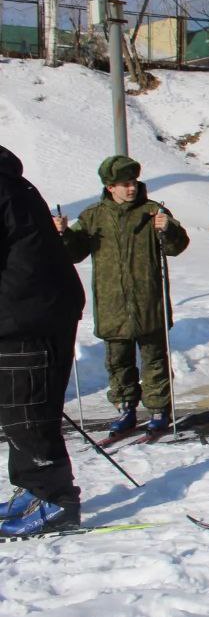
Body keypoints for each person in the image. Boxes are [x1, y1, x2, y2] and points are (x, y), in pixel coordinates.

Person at [55, 156, 189, 435]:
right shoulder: (93, 217)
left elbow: (177, 246)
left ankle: (158, 409)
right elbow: (73, 253)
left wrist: (169, 229)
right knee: (118, 361)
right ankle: (126, 407)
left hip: (149, 301)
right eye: (124, 184)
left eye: (134, 183)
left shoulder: (153, 211)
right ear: (110, 187)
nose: (131, 189)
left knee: (154, 359)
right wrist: (63, 234)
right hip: (112, 304)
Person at [0, 146, 85, 536]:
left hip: (28, 316)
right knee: (18, 410)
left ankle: (54, 501)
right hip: (28, 310)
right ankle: (32, 488)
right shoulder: (9, 183)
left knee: (28, 410)